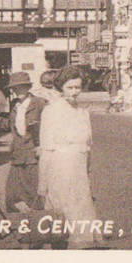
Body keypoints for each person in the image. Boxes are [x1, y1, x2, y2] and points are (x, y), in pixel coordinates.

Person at [39, 66, 100, 249]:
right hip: (60, 167)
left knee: (81, 212)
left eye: (77, 88)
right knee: (63, 215)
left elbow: (87, 146)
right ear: (60, 87)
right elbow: (46, 148)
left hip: (79, 169)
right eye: (70, 88)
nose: (74, 92)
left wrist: (88, 172)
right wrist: (43, 183)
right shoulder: (51, 111)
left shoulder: (82, 112)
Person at [4, 72, 47, 215]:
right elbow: (8, 125)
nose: (18, 91)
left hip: (33, 154)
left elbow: (49, 127)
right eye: (15, 88)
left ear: (28, 87)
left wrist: (42, 145)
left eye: (21, 87)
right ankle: (22, 225)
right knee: (12, 194)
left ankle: (38, 227)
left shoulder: (40, 103)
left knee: (34, 192)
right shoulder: (15, 105)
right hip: (17, 154)